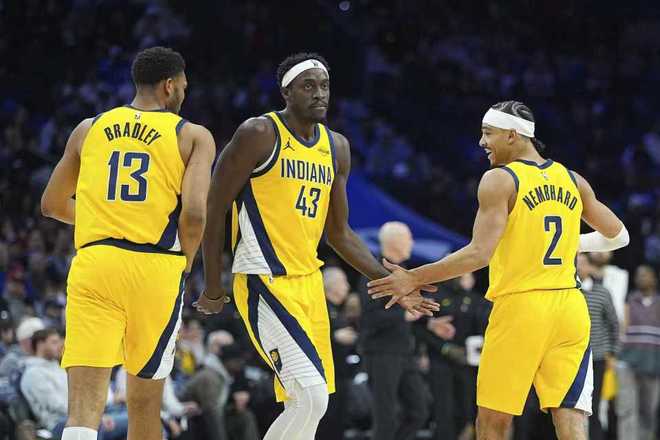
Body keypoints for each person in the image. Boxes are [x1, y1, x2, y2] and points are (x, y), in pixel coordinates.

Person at [199, 52, 439, 440]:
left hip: (309, 284)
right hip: (264, 278)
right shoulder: (259, 133)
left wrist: (392, 281)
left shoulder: (336, 147)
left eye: (324, 85)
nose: (319, 94)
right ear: (286, 92)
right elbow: (214, 208)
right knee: (310, 397)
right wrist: (213, 285)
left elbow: (339, 234)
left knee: (310, 403)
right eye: (308, 86)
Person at [368, 100, 631, 440]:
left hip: (522, 307)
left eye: (488, 133)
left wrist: (413, 277)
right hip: (570, 308)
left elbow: (479, 254)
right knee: (571, 418)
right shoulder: (572, 179)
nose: (482, 142)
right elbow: (619, 236)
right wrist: (571, 243)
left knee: (492, 420)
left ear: (512, 135)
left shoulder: (500, 179)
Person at [40, 46, 216, 440]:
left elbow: (51, 204)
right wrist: (186, 261)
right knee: (145, 407)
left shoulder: (89, 128)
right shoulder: (193, 136)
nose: (184, 93)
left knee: (83, 408)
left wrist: (106, 218)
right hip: (155, 267)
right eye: (183, 86)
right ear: (169, 86)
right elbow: (194, 214)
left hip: (96, 263)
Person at [358, 222, 431, 440]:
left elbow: (410, 314)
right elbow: (369, 319)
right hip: (381, 352)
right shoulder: (373, 273)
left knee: (419, 411)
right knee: (386, 416)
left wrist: (429, 324)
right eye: (408, 237)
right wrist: (404, 316)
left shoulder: (405, 274)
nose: (412, 242)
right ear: (394, 242)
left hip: (404, 352)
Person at [414, 272, 489, 440]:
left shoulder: (476, 299)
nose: (469, 278)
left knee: (466, 410)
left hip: (467, 361)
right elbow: (419, 327)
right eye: (466, 274)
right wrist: (444, 348)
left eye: (471, 274)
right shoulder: (435, 296)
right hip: (440, 361)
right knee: (444, 410)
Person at [576, 254, 619, 440]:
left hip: (598, 357)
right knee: (569, 406)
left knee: (594, 406)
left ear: (590, 267)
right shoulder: (568, 291)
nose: (579, 267)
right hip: (573, 358)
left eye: (582, 264)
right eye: (576, 263)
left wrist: (613, 353)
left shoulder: (602, 292)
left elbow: (613, 323)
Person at [619, 265, 660, 440]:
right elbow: (620, 329)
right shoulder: (628, 301)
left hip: (653, 364)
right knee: (627, 408)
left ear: (654, 279)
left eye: (646, 275)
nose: (642, 278)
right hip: (628, 362)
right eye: (639, 275)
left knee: (648, 409)